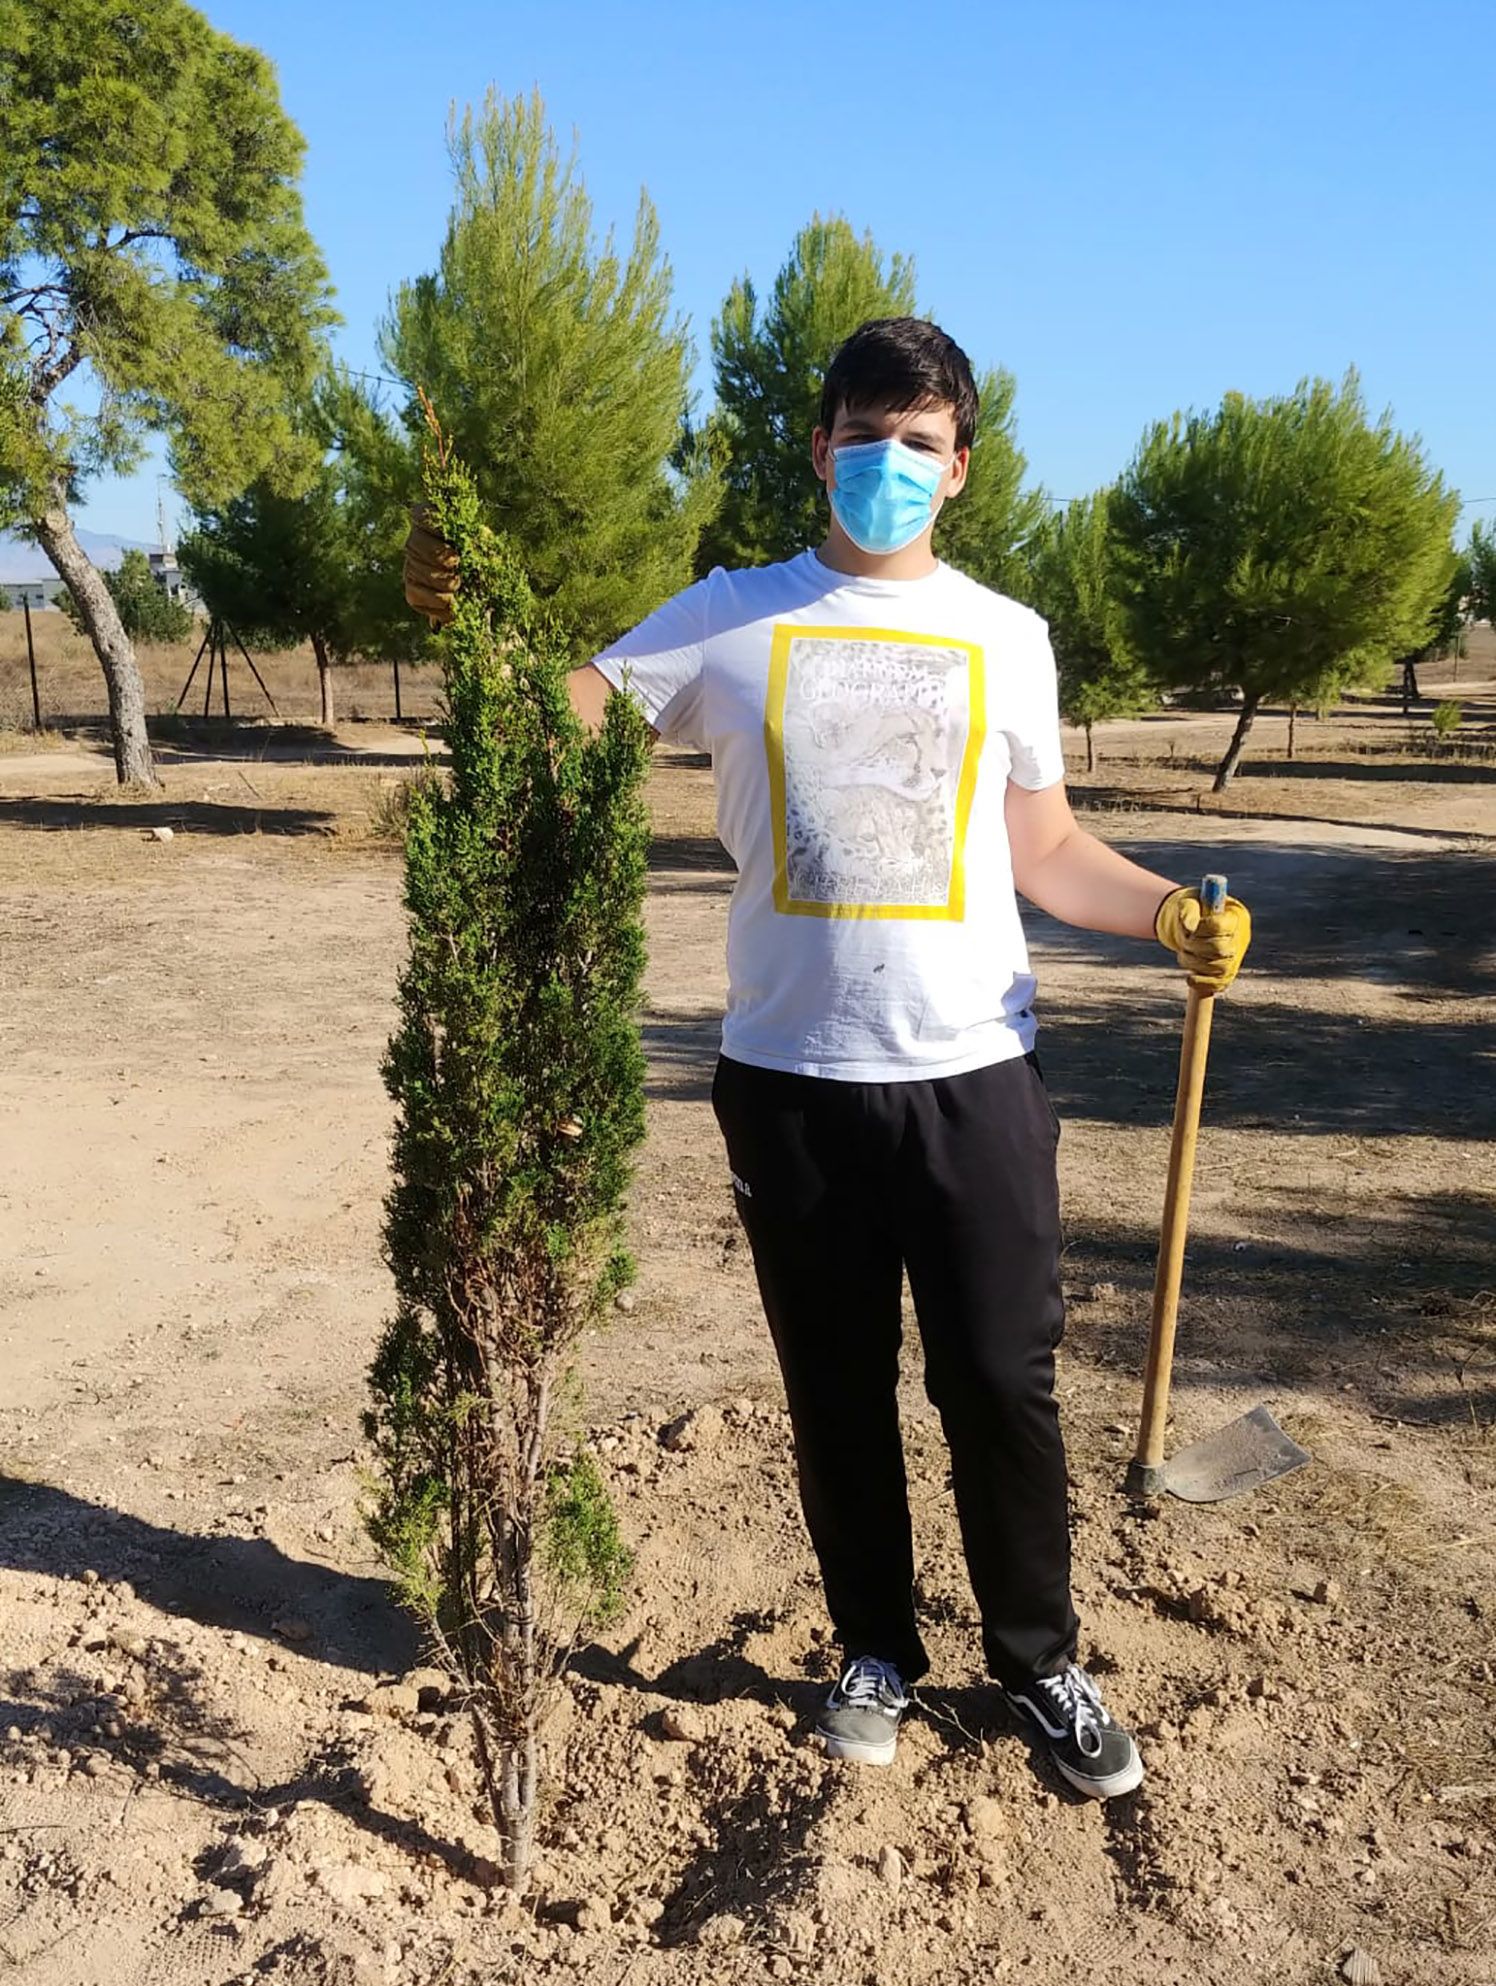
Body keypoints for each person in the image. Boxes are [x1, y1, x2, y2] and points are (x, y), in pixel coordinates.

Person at [404, 316, 1250, 1802]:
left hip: (975, 1073)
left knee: (998, 1378)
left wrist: (1170, 910)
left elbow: (1045, 852)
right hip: (788, 1081)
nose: (890, 464)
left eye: (920, 443)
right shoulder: (732, 617)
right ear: (820, 448)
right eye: (867, 435)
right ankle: (873, 1649)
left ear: (962, 468)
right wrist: (460, 633)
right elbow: (557, 724)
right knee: (836, 1387)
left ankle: (1039, 1660)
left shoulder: (1006, 636)